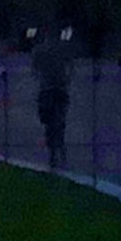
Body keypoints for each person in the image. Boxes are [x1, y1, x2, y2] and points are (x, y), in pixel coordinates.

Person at [32, 28, 73, 169]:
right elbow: (70, 66)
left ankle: (54, 153)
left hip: (48, 90)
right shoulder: (62, 49)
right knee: (59, 121)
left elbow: (34, 70)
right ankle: (60, 150)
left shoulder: (39, 50)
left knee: (49, 122)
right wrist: (67, 79)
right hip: (59, 89)